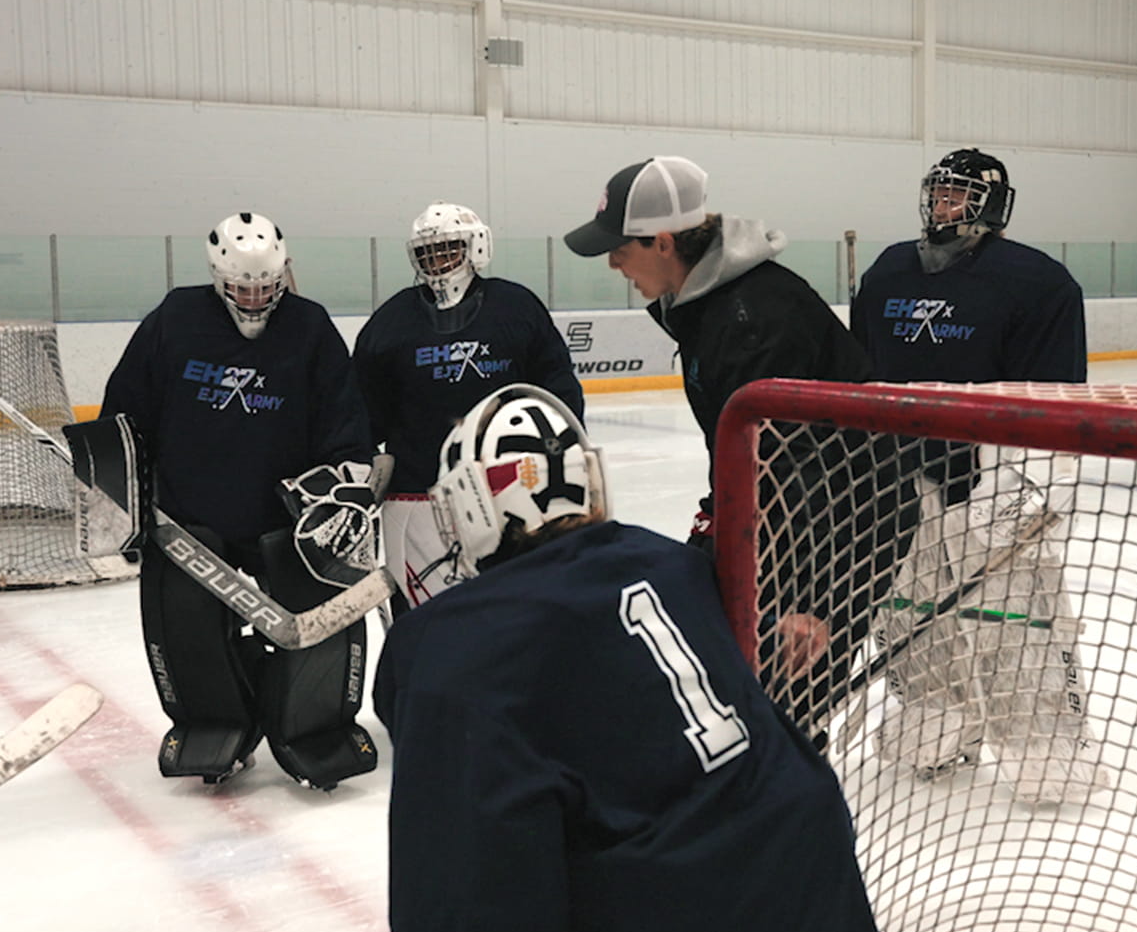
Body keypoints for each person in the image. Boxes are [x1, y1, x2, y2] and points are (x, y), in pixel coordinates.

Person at [375, 383, 884, 932]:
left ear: (469, 503)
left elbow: (465, 904)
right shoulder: (669, 561)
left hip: (685, 909)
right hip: (813, 869)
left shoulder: (454, 641)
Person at [561, 156, 903, 740]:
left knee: (780, 705)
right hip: (775, 516)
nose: (613, 263)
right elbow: (748, 456)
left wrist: (812, 601)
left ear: (663, 242)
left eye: (619, 248)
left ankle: (790, 780)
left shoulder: (751, 319)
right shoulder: (705, 303)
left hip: (843, 529)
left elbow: (798, 465)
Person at [848, 147, 1106, 804]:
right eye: (939, 193)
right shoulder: (887, 272)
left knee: (1019, 622)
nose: (944, 205)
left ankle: (1047, 747)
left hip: (991, 484)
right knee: (909, 614)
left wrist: (1033, 483)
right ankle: (937, 726)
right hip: (902, 482)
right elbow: (862, 378)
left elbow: (1055, 397)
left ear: (991, 205)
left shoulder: (1037, 283)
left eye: (959, 195)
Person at [98, 211, 379, 790]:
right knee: (188, 628)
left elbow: (343, 417)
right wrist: (116, 489)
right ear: (217, 276)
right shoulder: (176, 319)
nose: (254, 299)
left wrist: (344, 487)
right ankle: (214, 724)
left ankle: (315, 727)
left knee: (319, 625)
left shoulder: (309, 325)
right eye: (242, 288)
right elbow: (126, 409)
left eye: (266, 287)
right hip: (192, 519)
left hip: (289, 520)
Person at [353, 201, 582, 608]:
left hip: (512, 488)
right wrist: (358, 460)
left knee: (516, 608)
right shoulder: (389, 323)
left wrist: (560, 453)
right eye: (428, 252)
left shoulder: (517, 307)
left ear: (475, 246)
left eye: (447, 249)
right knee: (425, 617)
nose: (437, 261)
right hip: (417, 497)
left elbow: (557, 388)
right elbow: (364, 409)